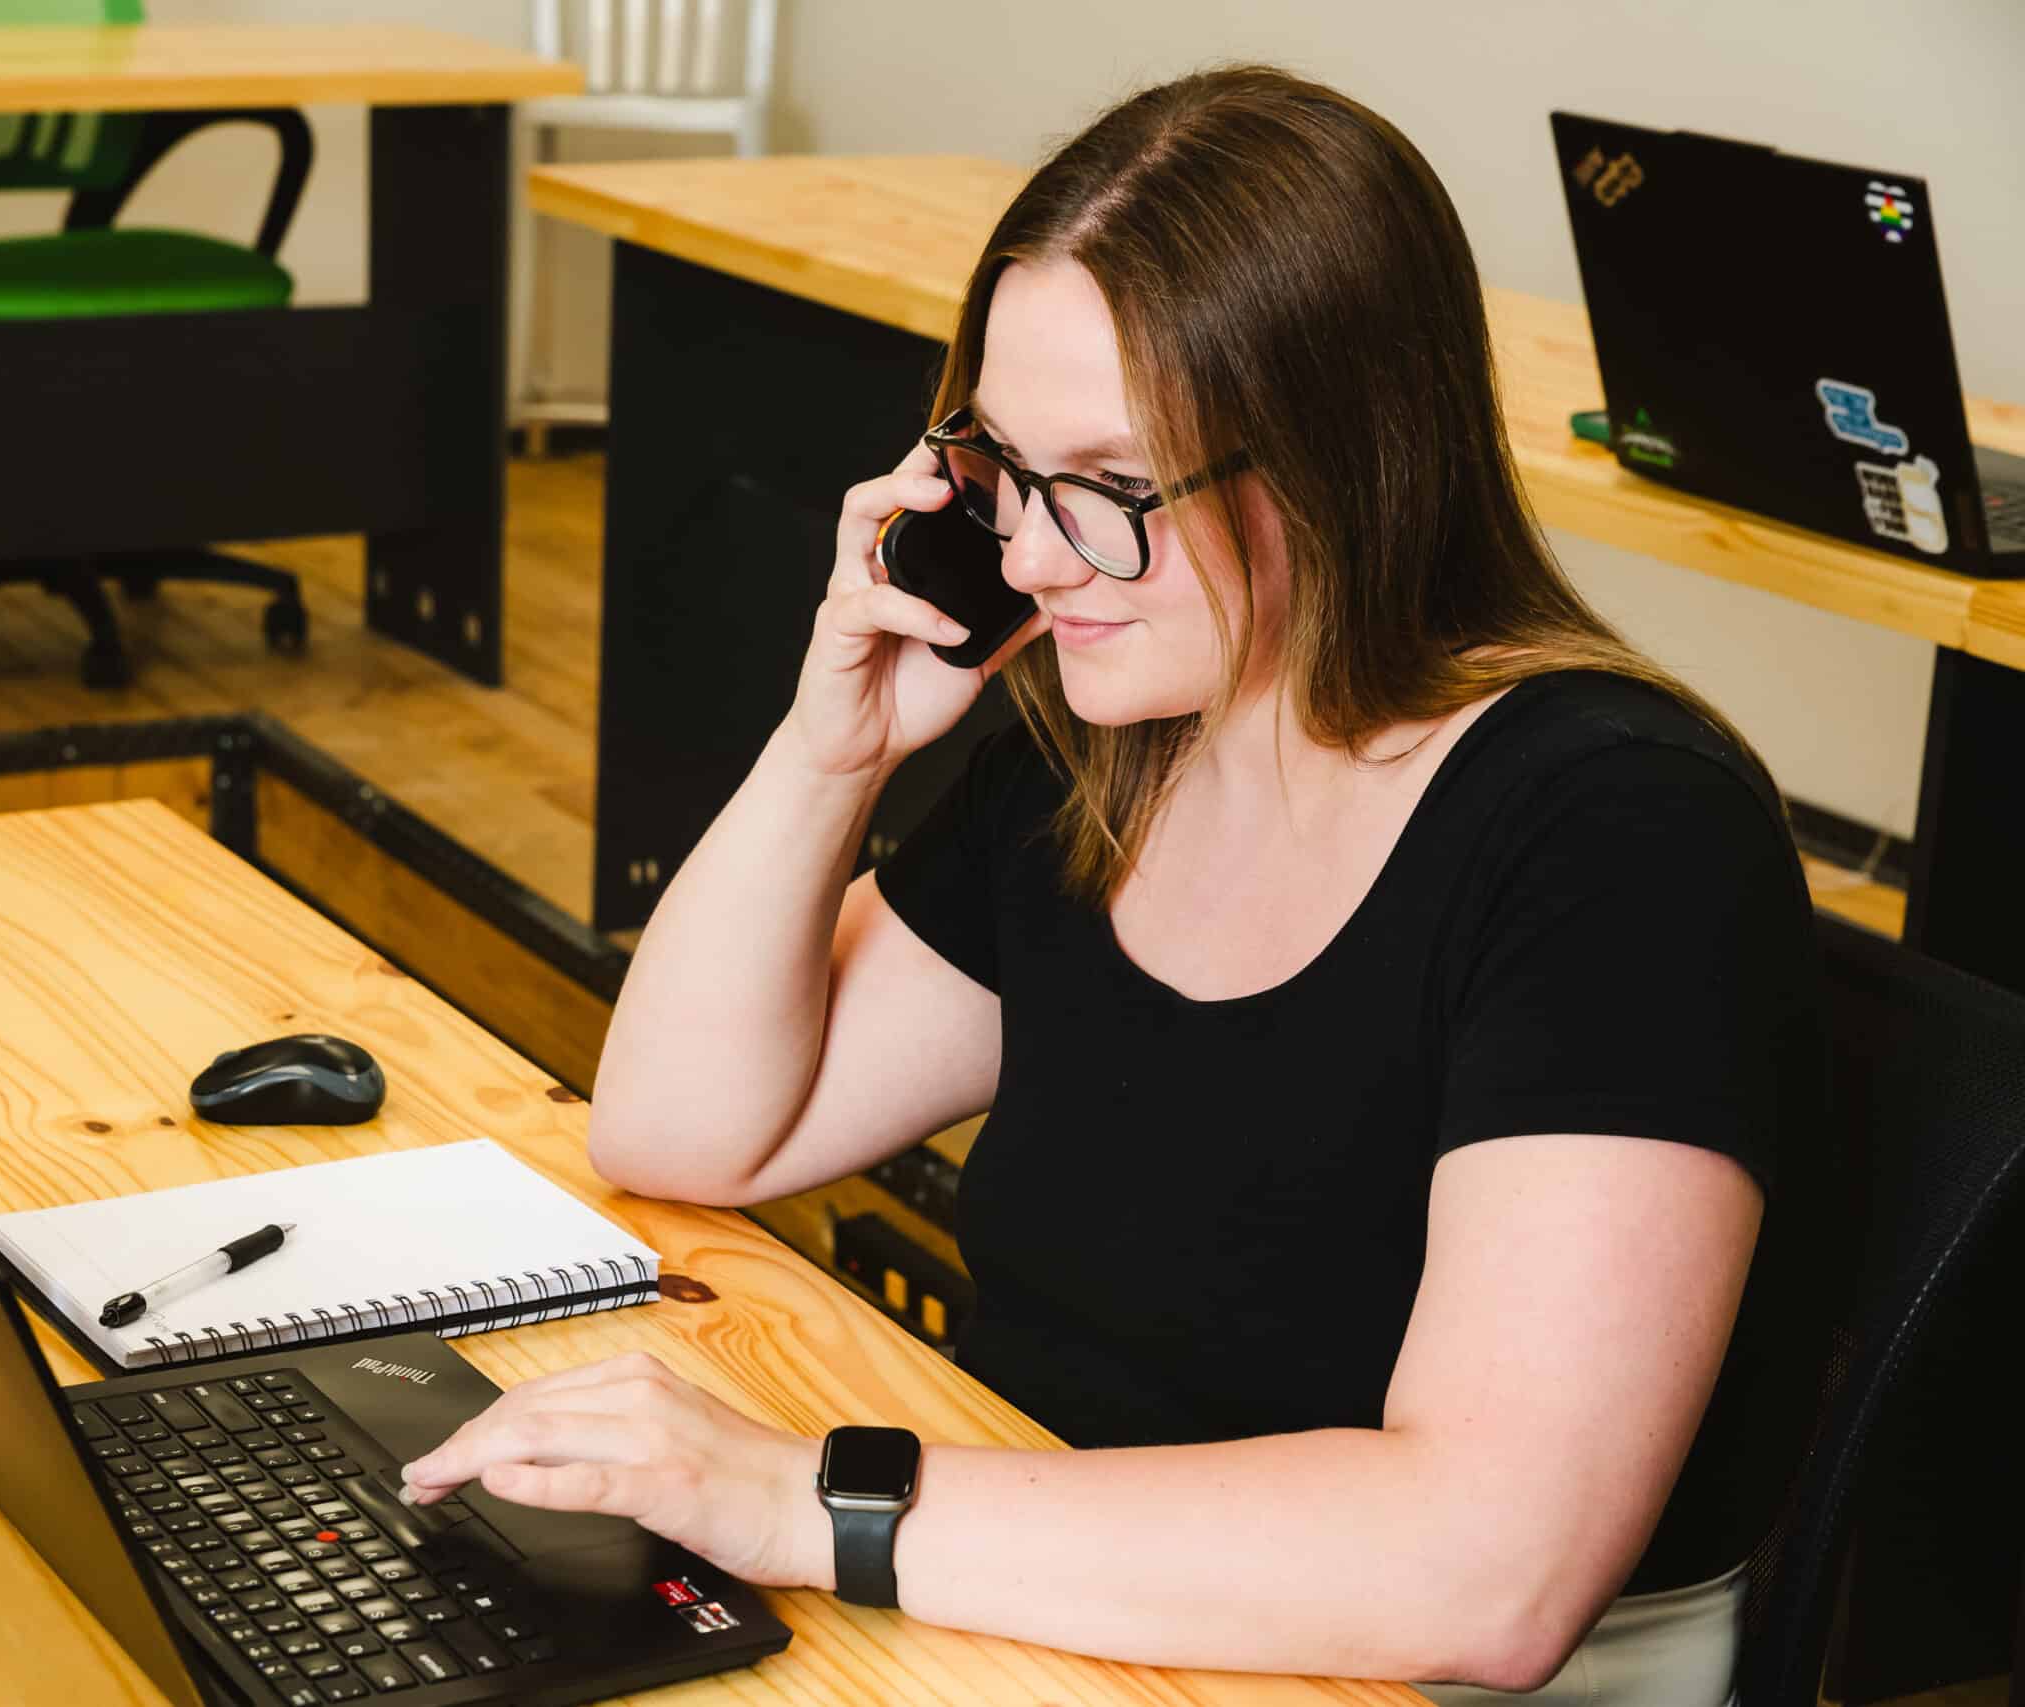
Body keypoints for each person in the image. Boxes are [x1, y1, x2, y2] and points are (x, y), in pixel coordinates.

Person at [401, 65, 1823, 1706]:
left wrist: (806, 1500)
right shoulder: (1115, 746)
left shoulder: (1622, 837)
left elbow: (1485, 1569)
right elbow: (687, 1132)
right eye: (1000, 467)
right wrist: (829, 752)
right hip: (1048, 1595)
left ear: (1352, 463)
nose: (1026, 555)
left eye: (1108, 488)